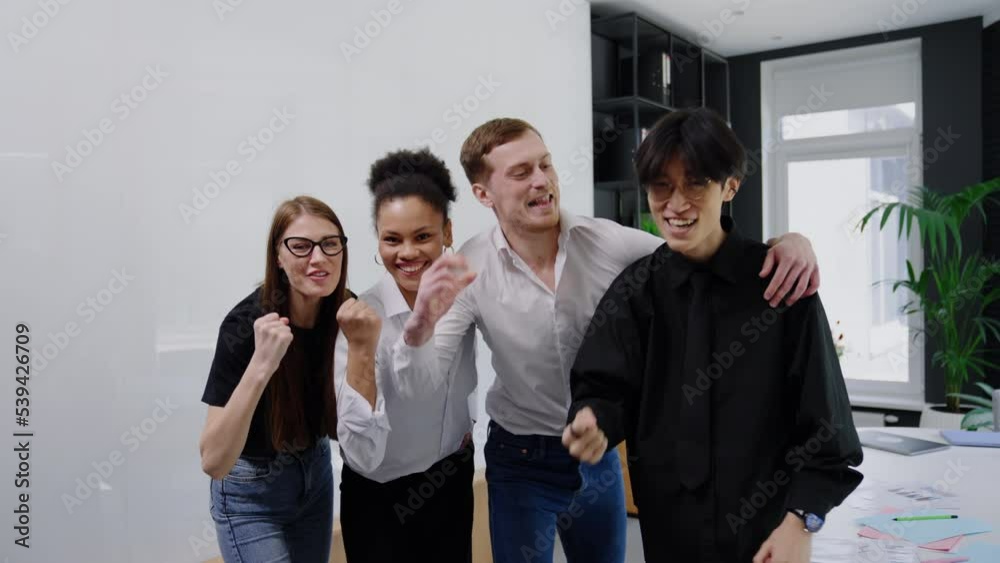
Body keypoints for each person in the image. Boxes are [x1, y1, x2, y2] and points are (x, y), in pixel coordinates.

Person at [391, 117, 823, 563]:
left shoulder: (611, 244)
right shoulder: (467, 268)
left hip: (600, 452)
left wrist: (789, 242)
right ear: (484, 194)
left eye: (545, 164)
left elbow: (698, 249)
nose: (541, 181)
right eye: (521, 173)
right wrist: (418, 325)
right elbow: (424, 384)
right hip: (520, 457)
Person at [562, 108, 863, 562]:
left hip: (767, 540)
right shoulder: (635, 291)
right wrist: (593, 419)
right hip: (668, 535)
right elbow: (604, 386)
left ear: (731, 186)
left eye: (696, 183)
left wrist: (801, 522)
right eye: (661, 185)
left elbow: (827, 431)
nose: (675, 204)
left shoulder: (783, 289)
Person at [198, 195, 382, 563]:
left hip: (314, 477)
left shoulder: (348, 314)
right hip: (250, 493)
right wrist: (261, 364)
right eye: (300, 246)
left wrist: (365, 348)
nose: (318, 258)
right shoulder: (245, 326)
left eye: (330, 244)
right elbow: (214, 461)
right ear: (278, 257)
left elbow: (361, 427)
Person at [335, 149, 478, 563]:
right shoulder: (362, 318)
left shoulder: (465, 295)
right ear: (377, 241)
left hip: (452, 476)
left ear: (447, 231)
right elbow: (357, 443)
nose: (408, 253)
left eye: (423, 236)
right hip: (380, 495)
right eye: (392, 239)